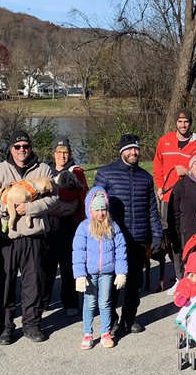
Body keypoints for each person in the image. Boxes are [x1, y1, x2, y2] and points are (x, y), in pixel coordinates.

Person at [0, 130, 66, 345]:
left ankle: (31, 323)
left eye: (26, 146)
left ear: (30, 148)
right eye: (17, 146)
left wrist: (30, 208)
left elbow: (55, 198)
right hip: (7, 238)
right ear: (11, 148)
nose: (22, 150)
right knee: (6, 283)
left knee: (33, 283)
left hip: (34, 236)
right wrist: (4, 208)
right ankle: (6, 327)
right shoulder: (0, 170)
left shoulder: (43, 169)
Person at [94, 134, 163, 336]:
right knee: (113, 283)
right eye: (130, 149)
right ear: (122, 151)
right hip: (113, 239)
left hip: (139, 239)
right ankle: (112, 319)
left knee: (134, 284)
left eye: (137, 149)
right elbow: (94, 205)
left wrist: (157, 234)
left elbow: (152, 209)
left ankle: (129, 318)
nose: (134, 152)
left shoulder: (145, 177)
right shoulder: (106, 174)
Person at [153, 109, 196, 278]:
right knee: (172, 235)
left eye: (186, 122)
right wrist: (159, 185)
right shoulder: (164, 141)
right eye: (180, 122)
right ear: (175, 123)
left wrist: (188, 171)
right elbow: (157, 166)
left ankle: (195, 270)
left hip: (191, 195)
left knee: (191, 233)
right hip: (168, 196)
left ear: (190, 123)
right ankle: (179, 274)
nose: (183, 125)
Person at [72, 187, 128, 351]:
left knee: (105, 303)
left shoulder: (113, 226)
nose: (100, 213)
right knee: (89, 303)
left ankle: (105, 333)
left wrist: (121, 272)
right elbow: (78, 252)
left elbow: (121, 250)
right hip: (89, 274)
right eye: (97, 209)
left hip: (107, 273)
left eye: (103, 209)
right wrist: (80, 275)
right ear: (90, 209)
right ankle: (88, 334)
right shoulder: (84, 227)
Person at [47, 138, 89, 317]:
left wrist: (56, 194)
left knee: (68, 265)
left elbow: (81, 192)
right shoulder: (45, 170)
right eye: (59, 152)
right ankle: (41, 302)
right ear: (53, 154)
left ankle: (70, 302)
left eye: (65, 152)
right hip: (49, 224)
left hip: (70, 223)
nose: (62, 156)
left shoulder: (76, 171)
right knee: (46, 266)